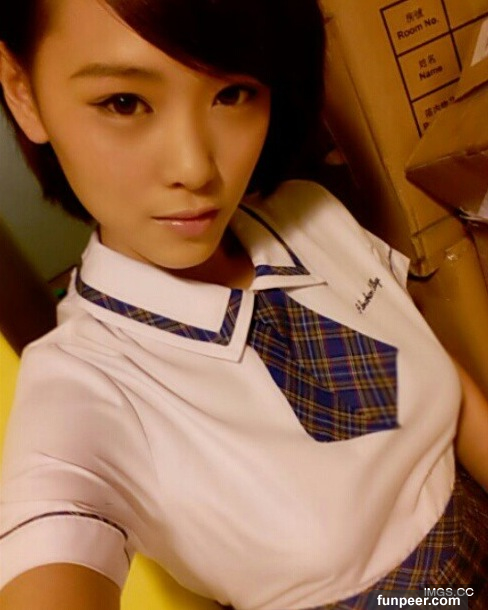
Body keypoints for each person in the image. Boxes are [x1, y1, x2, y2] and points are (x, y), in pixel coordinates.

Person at [0, 1, 487, 609]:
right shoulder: (81, 391)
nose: (195, 168)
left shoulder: (309, 215)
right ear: (22, 91)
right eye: (124, 102)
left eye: (232, 93)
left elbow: (450, 392)